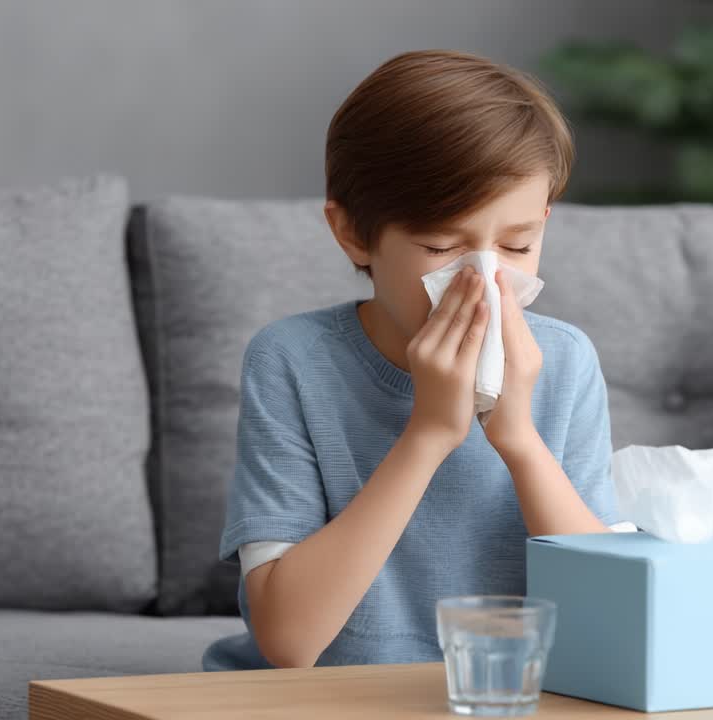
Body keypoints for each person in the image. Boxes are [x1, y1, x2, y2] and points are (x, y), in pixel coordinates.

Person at [202, 49, 621, 671]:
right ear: (353, 234)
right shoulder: (291, 360)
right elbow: (288, 642)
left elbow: (614, 615)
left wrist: (521, 441)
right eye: (441, 246)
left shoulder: (564, 361)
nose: (483, 277)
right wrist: (428, 433)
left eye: (518, 243)